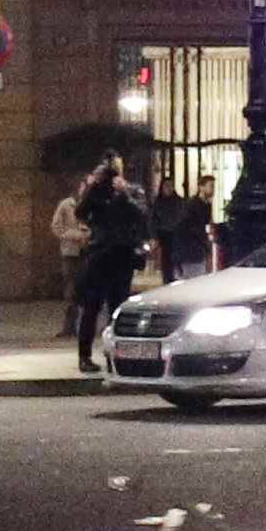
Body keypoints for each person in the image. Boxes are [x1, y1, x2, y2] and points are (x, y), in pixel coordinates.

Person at [73, 152, 150, 374]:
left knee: (118, 308)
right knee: (91, 306)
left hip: (122, 255)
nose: (113, 170)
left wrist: (124, 192)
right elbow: (81, 211)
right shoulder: (97, 191)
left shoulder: (132, 191)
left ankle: (116, 356)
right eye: (110, 166)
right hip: (99, 255)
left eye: (117, 165)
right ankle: (84, 356)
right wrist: (93, 187)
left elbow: (142, 214)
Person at [50, 188, 87, 336]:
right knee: (71, 289)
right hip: (71, 252)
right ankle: (69, 326)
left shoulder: (92, 204)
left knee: (87, 289)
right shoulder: (66, 205)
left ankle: (85, 325)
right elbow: (56, 226)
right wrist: (73, 235)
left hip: (88, 251)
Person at [173, 172, 217, 280]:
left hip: (197, 250)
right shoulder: (192, 205)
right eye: (210, 186)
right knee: (193, 279)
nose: (213, 189)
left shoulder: (206, 205)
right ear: (201, 187)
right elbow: (187, 227)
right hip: (190, 250)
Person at [150, 165, 186, 285]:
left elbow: (182, 217)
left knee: (177, 261)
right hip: (165, 236)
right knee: (166, 264)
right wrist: (154, 236)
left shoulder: (179, 202)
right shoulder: (158, 203)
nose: (169, 189)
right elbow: (153, 220)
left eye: (171, 186)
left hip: (177, 235)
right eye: (166, 186)